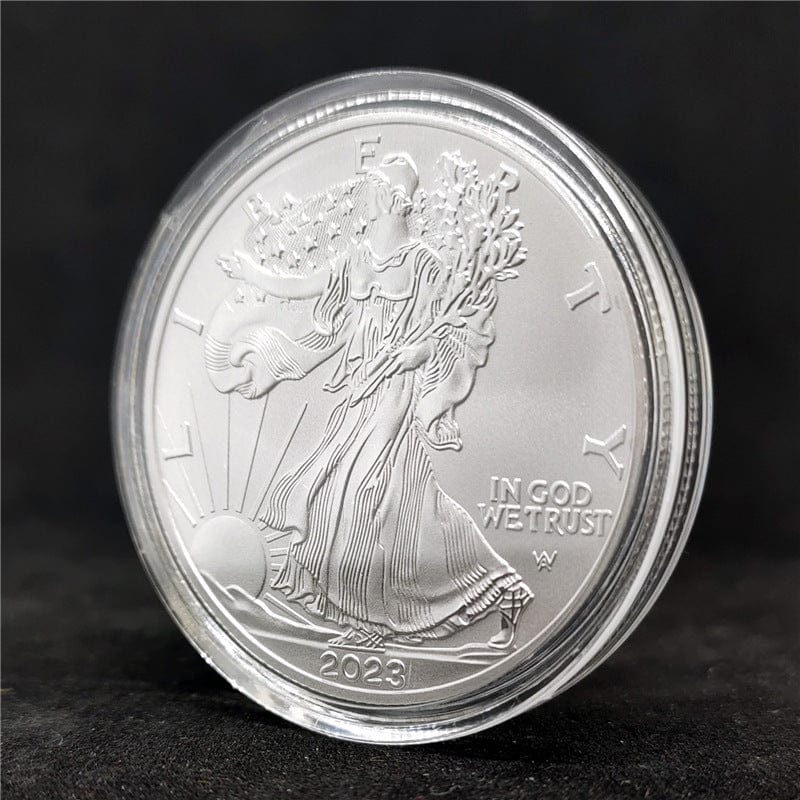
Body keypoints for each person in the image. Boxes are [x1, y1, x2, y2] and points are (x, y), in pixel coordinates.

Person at [205, 153, 532, 650]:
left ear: (396, 201)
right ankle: (378, 612)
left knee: (366, 492)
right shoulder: (356, 259)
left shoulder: (424, 264)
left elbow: (455, 329)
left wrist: (418, 352)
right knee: (351, 495)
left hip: (396, 398)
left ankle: (384, 619)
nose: (366, 195)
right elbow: (303, 287)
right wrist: (252, 274)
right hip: (359, 395)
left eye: (376, 188)